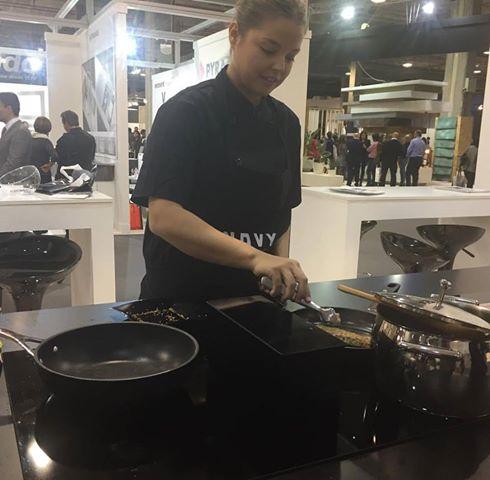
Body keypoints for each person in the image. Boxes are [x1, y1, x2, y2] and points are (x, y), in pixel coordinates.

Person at [132, 0, 310, 303]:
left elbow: (282, 214)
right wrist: (256, 257)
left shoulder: (287, 123)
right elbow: (163, 216)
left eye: (290, 56)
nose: (279, 66)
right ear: (235, 34)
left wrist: (281, 271)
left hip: (255, 300)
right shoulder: (185, 112)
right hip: (183, 300)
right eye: (269, 49)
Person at [0, 92, 32, 176]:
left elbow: (13, 163)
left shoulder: (20, 131)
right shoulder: (6, 130)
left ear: (9, 108)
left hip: (14, 181)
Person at [31, 116, 58, 184]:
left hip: (31, 172)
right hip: (43, 173)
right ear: (48, 128)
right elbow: (55, 156)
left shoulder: (30, 140)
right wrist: (49, 165)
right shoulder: (46, 141)